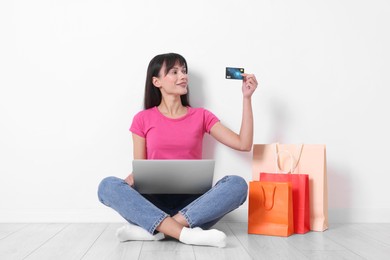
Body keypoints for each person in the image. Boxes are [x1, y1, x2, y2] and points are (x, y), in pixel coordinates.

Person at [98, 53, 258, 248]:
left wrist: (247, 98)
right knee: (107, 186)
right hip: (151, 203)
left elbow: (243, 144)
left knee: (237, 185)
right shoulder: (142, 119)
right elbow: (140, 168)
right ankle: (185, 234)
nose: (183, 76)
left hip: (194, 207)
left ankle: (156, 229)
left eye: (184, 71)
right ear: (156, 81)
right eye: (174, 72)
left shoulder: (201, 116)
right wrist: (130, 180)